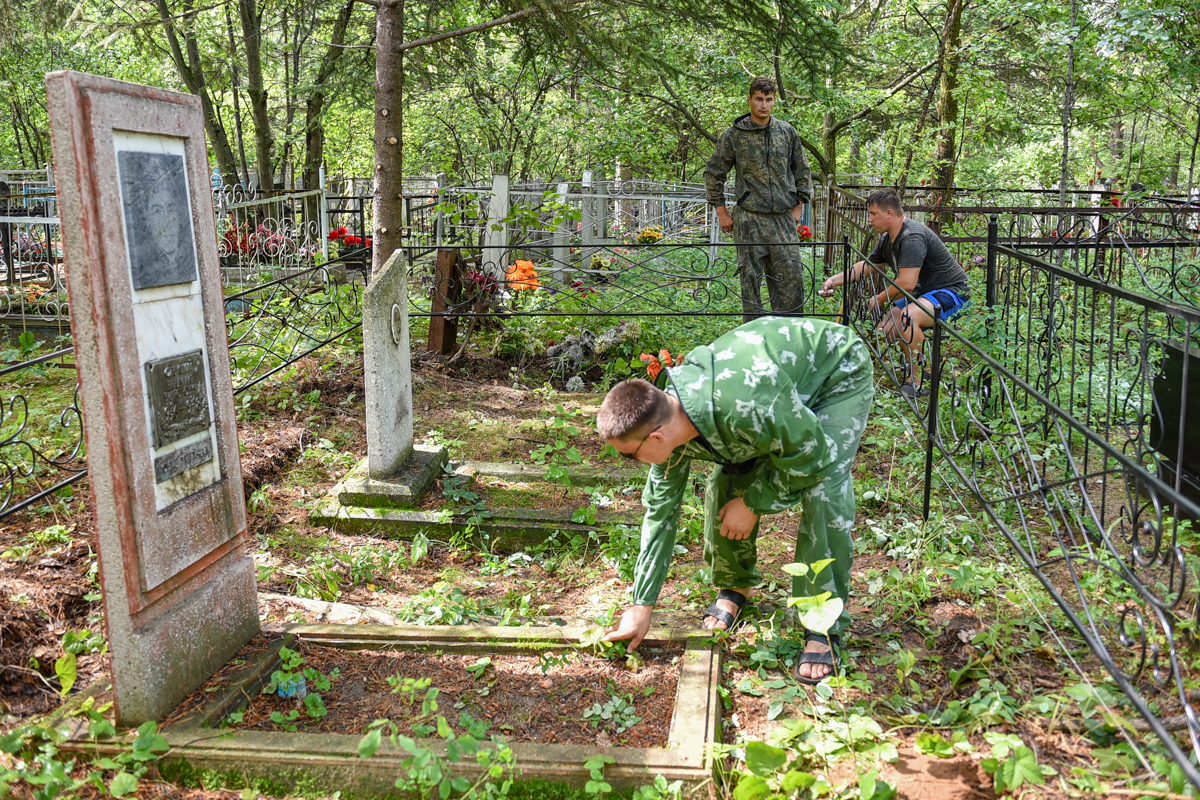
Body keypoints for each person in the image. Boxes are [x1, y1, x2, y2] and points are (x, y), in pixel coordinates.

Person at [596, 316, 873, 684]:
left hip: (835, 373)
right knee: (725, 485)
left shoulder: (746, 405)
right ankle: (736, 585)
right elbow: (660, 513)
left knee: (824, 493)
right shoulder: (673, 413)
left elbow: (814, 459)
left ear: (657, 439)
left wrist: (756, 503)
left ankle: (821, 624)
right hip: (772, 402)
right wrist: (641, 604)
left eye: (629, 455)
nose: (629, 462)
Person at [819, 188, 970, 398]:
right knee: (886, 329)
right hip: (923, 294)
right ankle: (925, 369)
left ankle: (915, 384)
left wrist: (879, 299)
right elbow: (868, 266)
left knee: (906, 319)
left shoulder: (912, 236)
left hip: (951, 293)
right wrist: (833, 280)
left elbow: (906, 284)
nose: (869, 220)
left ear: (889, 214)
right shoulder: (888, 237)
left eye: (873, 214)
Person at [704, 77, 813, 322]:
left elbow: (802, 170)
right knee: (750, 284)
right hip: (749, 220)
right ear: (750, 100)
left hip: (782, 220)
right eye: (759, 99)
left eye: (769, 99)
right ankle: (754, 341)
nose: (764, 105)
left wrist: (799, 205)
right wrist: (722, 212)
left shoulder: (786, 132)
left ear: (774, 101)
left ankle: (789, 336)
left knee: (792, 278)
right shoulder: (734, 135)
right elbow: (713, 173)